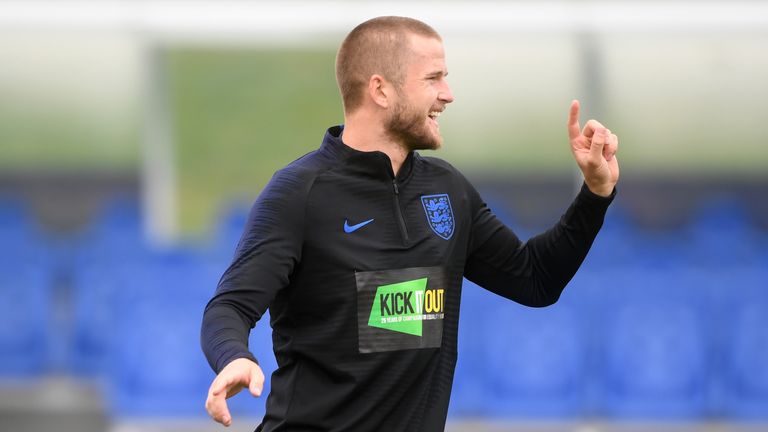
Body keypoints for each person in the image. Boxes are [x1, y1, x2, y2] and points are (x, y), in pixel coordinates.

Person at [201, 16, 618, 431]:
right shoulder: (300, 193)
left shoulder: (449, 189)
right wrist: (234, 357)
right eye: (433, 78)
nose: (448, 94)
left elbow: (535, 279)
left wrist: (594, 195)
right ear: (381, 89)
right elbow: (230, 306)